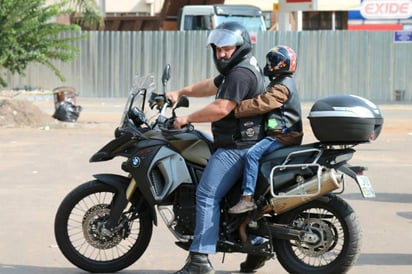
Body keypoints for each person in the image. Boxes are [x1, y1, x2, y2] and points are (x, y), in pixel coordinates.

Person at [168, 21, 267, 274]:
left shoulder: (240, 74)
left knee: (206, 194)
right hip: (241, 142)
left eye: (227, 49)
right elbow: (211, 85)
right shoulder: (237, 69)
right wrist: (181, 91)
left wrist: (187, 118)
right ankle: (254, 246)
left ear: (240, 46)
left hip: (238, 146)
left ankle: (200, 259)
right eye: (217, 49)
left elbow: (221, 108)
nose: (221, 54)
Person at [228, 45, 304, 214]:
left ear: (280, 65)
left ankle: (247, 197)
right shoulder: (282, 82)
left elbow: (262, 103)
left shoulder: (282, 87)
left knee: (252, 154)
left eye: (272, 62)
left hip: (283, 136)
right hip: (281, 134)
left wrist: (236, 107)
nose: (268, 65)